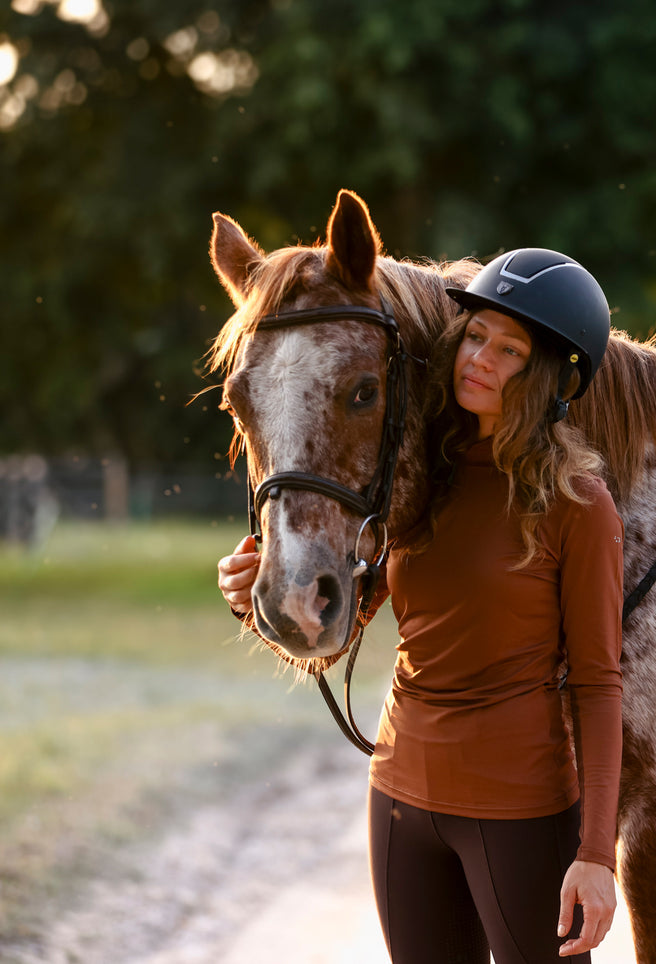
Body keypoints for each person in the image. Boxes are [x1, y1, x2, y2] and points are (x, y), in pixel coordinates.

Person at [218, 248, 624, 963]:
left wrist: (596, 854)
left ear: (549, 375)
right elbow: (343, 619)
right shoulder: (419, 485)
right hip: (400, 799)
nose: (480, 358)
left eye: (509, 349)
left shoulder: (577, 506)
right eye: (474, 337)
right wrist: (253, 599)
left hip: (519, 809)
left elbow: (596, 683)